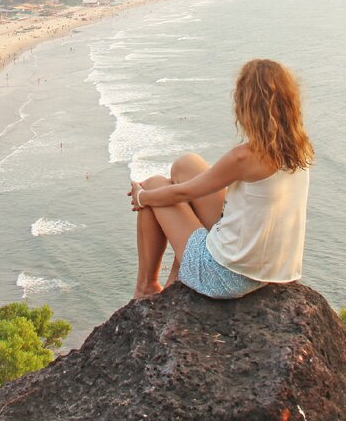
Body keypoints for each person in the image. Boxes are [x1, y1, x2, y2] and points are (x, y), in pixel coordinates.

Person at [128, 59, 313, 300]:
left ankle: (147, 287)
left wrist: (142, 196)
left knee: (154, 185)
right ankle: (175, 279)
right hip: (272, 270)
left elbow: (182, 194)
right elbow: (199, 186)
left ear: (247, 105)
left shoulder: (244, 157)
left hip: (226, 276)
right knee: (187, 164)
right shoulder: (301, 148)